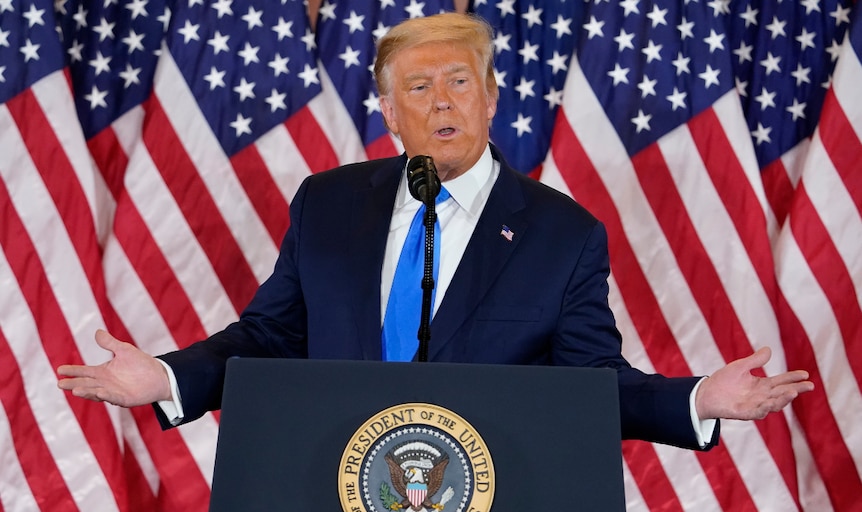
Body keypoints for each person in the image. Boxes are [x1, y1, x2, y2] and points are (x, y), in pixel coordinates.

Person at [57, 13, 812, 450]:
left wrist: (696, 400)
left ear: (489, 100)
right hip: (333, 502)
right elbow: (269, 338)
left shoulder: (561, 232)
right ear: (389, 112)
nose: (442, 102)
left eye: (460, 82)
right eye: (419, 87)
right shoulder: (326, 204)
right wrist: (167, 377)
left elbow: (592, 386)